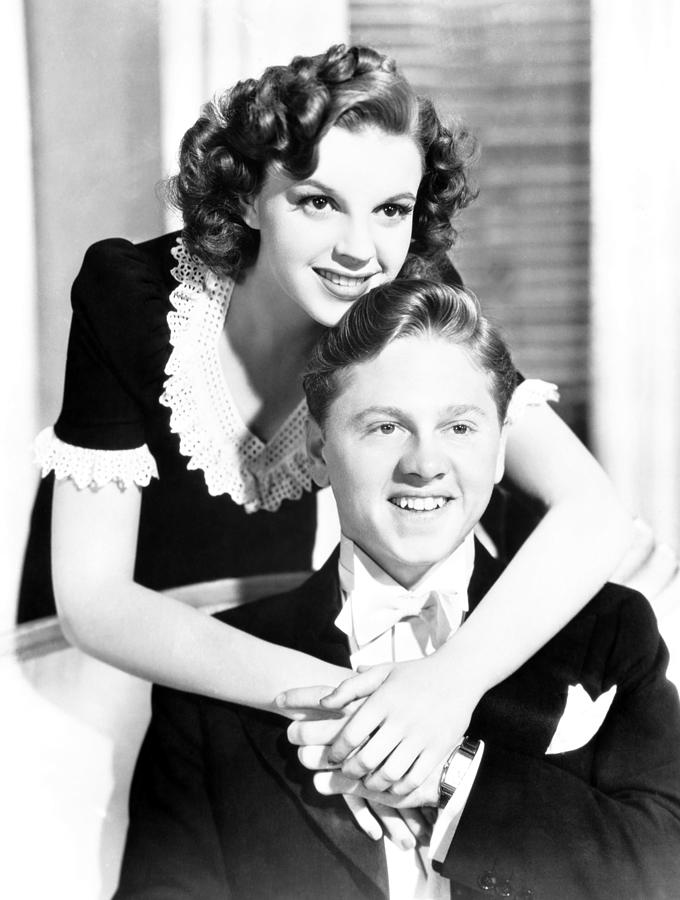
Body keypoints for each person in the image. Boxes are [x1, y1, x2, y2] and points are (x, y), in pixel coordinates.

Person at [22, 44, 635, 813]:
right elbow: (94, 602)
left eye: (391, 210)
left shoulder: (411, 291)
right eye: (318, 201)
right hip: (104, 665)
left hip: (275, 645)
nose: (359, 250)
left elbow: (592, 507)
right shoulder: (131, 295)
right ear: (246, 198)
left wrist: (444, 685)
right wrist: (352, 703)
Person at [114, 280, 680, 900]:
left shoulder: (607, 631)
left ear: (501, 449)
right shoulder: (214, 688)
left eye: (459, 427)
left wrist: (456, 774)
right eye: (384, 428)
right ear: (320, 450)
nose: (425, 463)